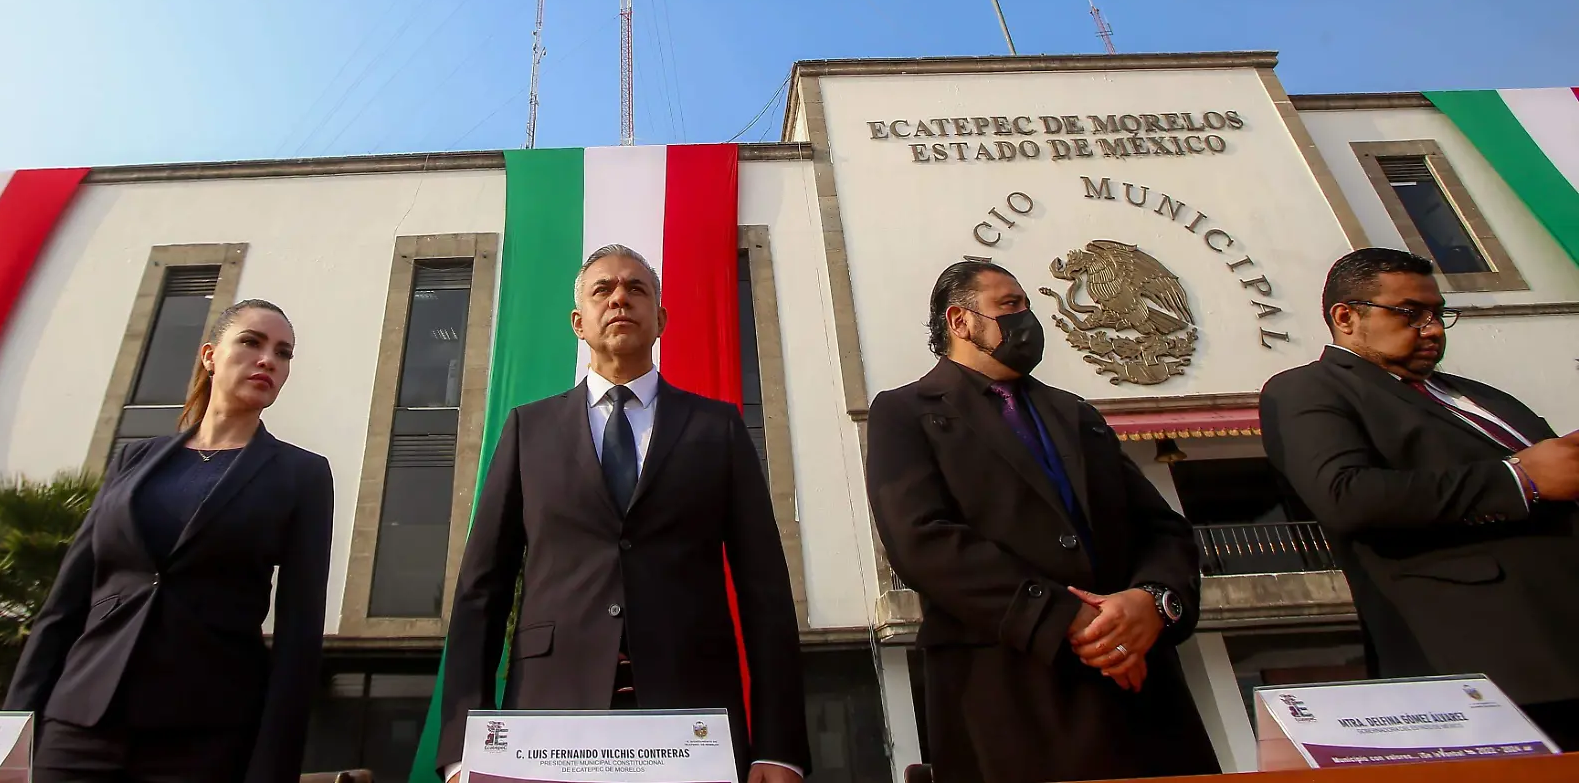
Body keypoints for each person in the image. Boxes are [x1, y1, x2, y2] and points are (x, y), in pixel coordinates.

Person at [439, 246, 810, 783]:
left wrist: (779, 747)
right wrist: (462, 748)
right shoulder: (529, 430)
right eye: (603, 290)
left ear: (659, 318)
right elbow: (482, 590)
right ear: (578, 322)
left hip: (692, 718)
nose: (620, 298)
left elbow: (765, 591)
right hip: (551, 718)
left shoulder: (717, 428)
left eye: (636, 289)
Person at [867, 261, 1219, 783]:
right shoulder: (905, 412)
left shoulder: (1075, 412)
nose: (1026, 318)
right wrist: (1068, 619)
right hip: (1010, 687)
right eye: (1009, 305)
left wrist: (1151, 601)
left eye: (1028, 305)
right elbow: (922, 540)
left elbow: (1162, 528)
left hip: (1141, 690)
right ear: (960, 321)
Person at [1261, 247, 1579, 749]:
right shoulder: (1309, 390)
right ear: (1346, 316)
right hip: (1494, 660)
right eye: (1411, 314)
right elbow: (1346, 495)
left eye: (1438, 314)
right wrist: (1517, 480)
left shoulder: (1479, 396)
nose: (1433, 330)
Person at [6, 299, 334, 783]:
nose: (268, 360)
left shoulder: (301, 474)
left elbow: (299, 634)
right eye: (250, 342)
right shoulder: (135, 460)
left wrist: (272, 766)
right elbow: (65, 603)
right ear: (209, 356)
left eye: (283, 353)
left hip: (205, 734)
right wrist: (12, 732)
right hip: (78, 725)